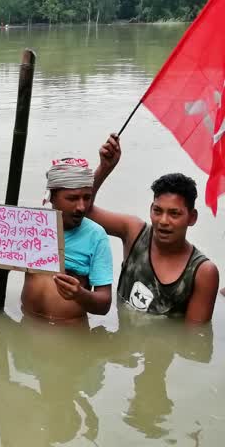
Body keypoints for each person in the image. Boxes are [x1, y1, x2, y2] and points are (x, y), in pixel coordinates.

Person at [87, 134, 219, 323]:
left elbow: (194, 339)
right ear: (150, 210)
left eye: (174, 214)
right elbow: (83, 210)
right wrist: (104, 168)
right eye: (158, 211)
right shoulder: (134, 232)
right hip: (125, 346)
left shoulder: (203, 272)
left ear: (192, 217)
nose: (163, 221)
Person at [0, 158, 113, 322]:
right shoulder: (30, 226)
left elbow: (104, 305)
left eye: (87, 197)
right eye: (72, 198)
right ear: (51, 197)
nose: (81, 207)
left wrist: (80, 294)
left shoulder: (96, 236)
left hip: (69, 332)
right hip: (26, 326)